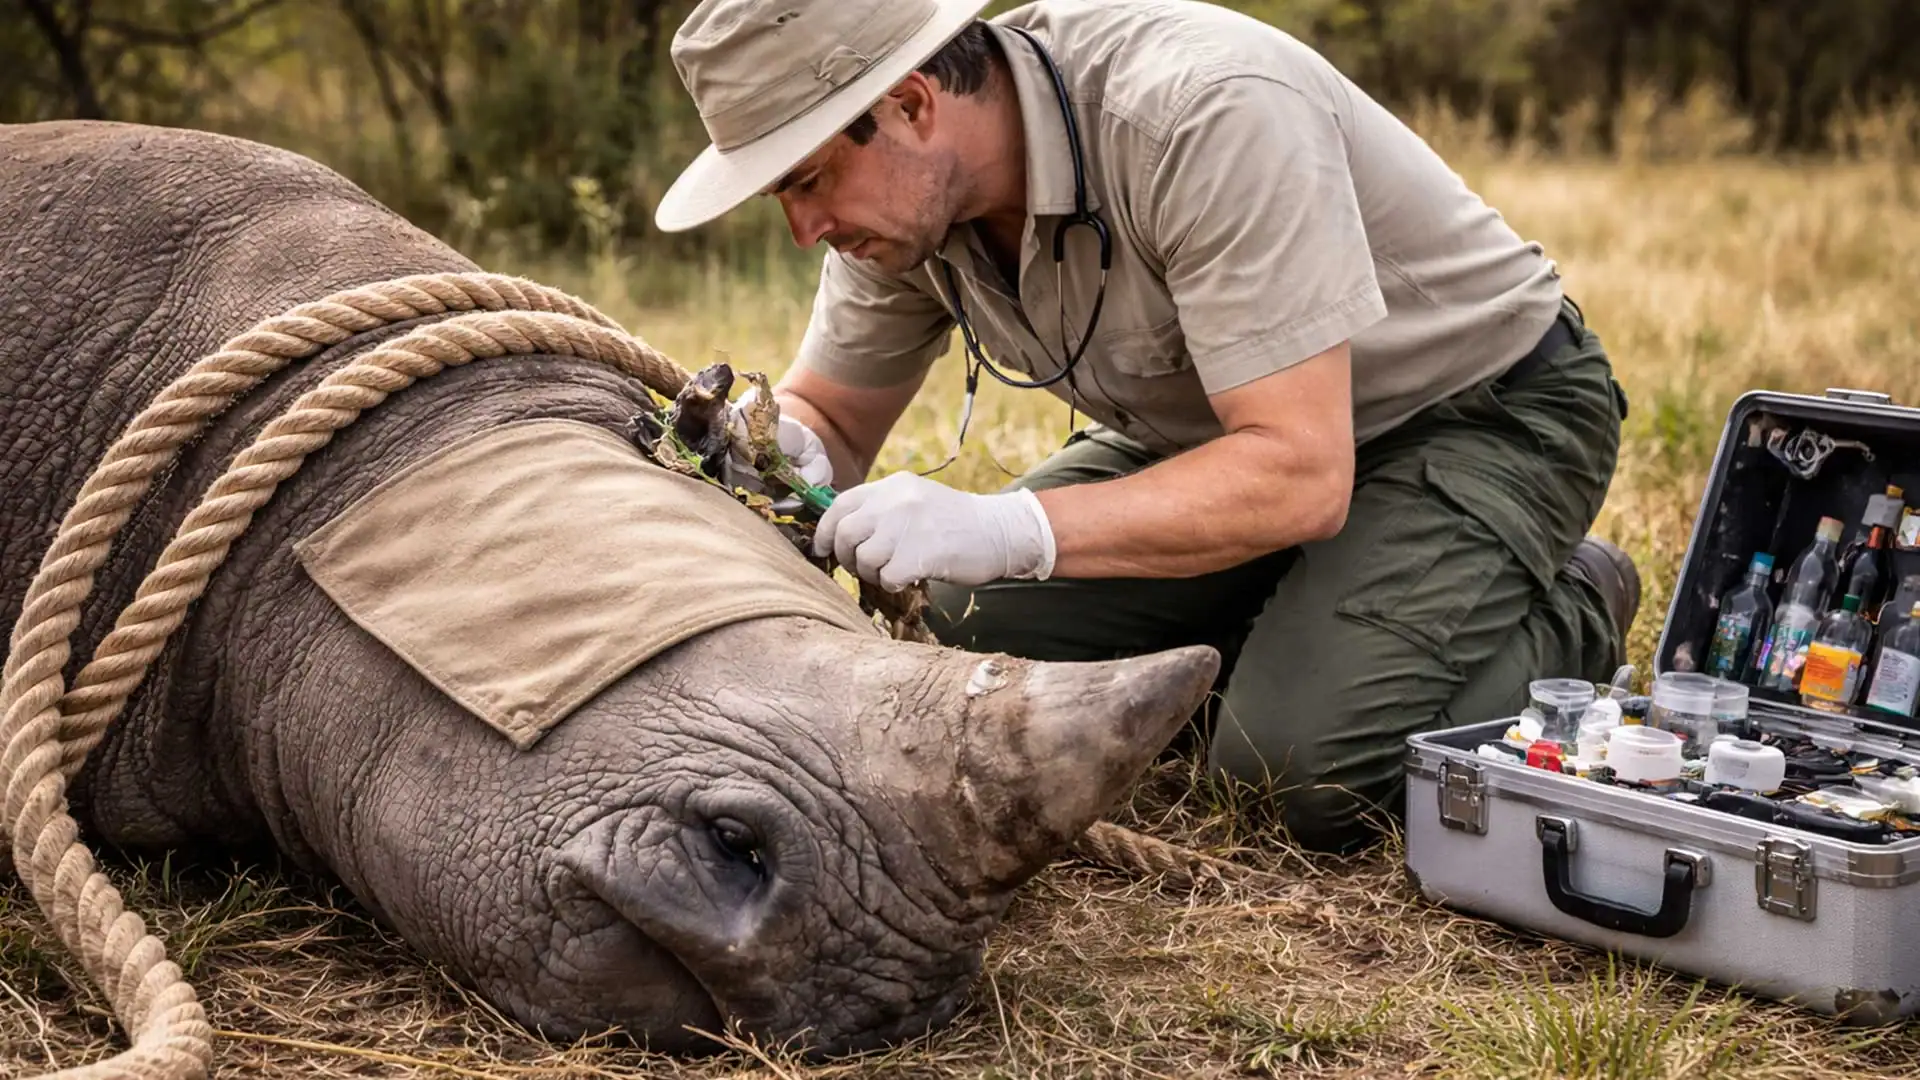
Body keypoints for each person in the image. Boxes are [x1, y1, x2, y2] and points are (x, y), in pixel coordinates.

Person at [653, 0, 1640, 854]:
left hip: (1476, 415)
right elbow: (830, 416)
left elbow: (1298, 474)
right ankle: (1305, 618)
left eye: (810, 179)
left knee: (1294, 773)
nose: (804, 229)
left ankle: (1575, 597)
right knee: (961, 632)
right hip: (1219, 440)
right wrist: (781, 456)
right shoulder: (903, 208)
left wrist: (1007, 531)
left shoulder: (1201, 110)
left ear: (910, 102)